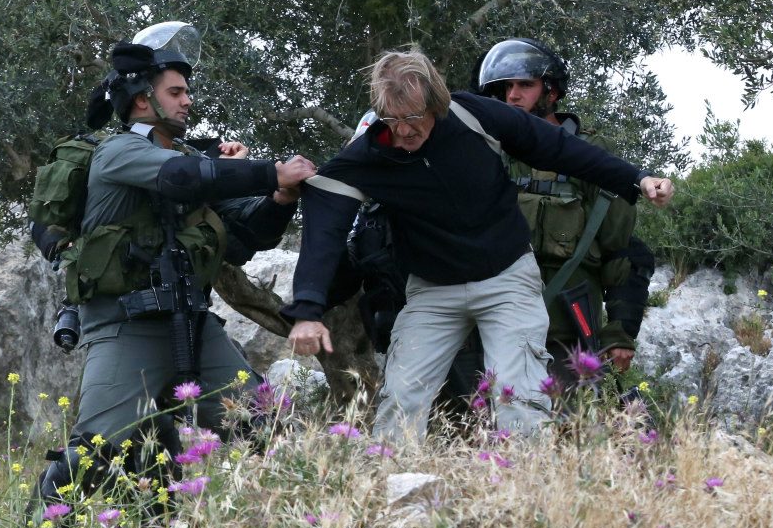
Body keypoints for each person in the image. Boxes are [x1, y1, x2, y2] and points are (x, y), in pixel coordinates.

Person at [282, 49, 673, 443]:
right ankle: (393, 489)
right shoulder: (368, 155)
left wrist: (636, 179)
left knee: (517, 396)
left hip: (507, 278)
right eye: (392, 120)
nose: (403, 131)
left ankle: (522, 490)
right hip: (433, 291)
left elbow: (559, 148)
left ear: (437, 103)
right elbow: (325, 225)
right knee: (402, 398)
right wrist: (308, 310)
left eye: (413, 118)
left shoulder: (474, 116)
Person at [29, 21, 316, 515]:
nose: (188, 102)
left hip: (193, 326)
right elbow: (180, 177)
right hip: (125, 327)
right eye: (176, 92)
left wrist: (281, 195)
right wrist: (265, 169)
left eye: (187, 92)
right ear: (143, 99)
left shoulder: (187, 157)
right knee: (95, 451)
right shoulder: (119, 152)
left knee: (264, 423)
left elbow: (249, 237)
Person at [474, 38, 655, 390]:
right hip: (495, 322)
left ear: (552, 92)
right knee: (481, 426)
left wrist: (618, 332)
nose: (512, 95)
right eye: (505, 87)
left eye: (525, 85)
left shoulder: (589, 155)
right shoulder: (486, 154)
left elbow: (623, 252)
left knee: (571, 432)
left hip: (566, 327)